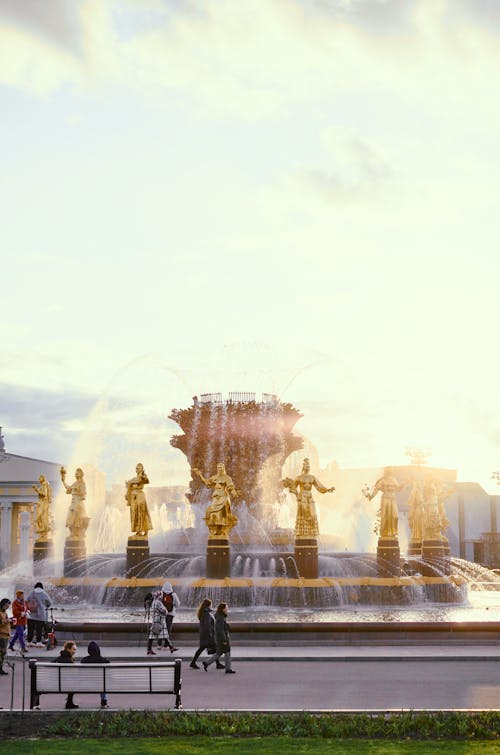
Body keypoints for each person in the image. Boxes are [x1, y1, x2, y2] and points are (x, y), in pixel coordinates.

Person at [282, 458, 335, 538]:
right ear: (303, 467)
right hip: (302, 496)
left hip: (310, 496)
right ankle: (302, 533)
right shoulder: (299, 477)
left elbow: (319, 486)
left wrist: (327, 490)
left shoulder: (312, 477)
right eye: (306, 466)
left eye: (309, 466)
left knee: (312, 513)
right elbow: (293, 486)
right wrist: (296, 495)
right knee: (303, 515)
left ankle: (311, 532)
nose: (308, 467)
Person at [192, 462, 238, 537]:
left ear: (223, 468)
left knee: (221, 513)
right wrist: (200, 475)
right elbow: (207, 483)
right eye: (218, 467)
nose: (219, 469)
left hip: (223, 496)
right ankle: (215, 530)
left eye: (221, 467)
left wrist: (234, 492)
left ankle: (221, 531)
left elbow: (230, 487)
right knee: (212, 512)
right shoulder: (214, 477)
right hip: (216, 496)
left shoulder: (227, 478)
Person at [190, 598, 224, 670]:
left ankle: (193, 662)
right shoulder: (207, 614)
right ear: (209, 605)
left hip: (205, 636)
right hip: (208, 636)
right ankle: (216, 664)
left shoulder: (203, 612)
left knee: (202, 649)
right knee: (217, 649)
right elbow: (207, 626)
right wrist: (210, 635)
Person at [202, 602, 235, 674]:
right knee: (227, 652)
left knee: (219, 653)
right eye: (226, 608)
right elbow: (220, 630)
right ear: (222, 609)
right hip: (222, 639)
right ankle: (228, 669)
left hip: (219, 638)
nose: (227, 609)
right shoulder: (220, 617)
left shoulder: (220, 616)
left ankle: (206, 663)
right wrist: (224, 640)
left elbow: (221, 628)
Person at [61, 466, 89, 540]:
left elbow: (83, 493)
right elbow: (68, 488)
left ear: (81, 474)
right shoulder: (75, 483)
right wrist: (63, 480)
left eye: (78, 473)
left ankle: (76, 534)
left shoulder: (82, 483)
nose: (76, 474)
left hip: (78, 503)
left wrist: (77, 490)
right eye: (75, 473)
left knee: (76, 518)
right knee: (70, 517)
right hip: (73, 502)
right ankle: (73, 533)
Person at [125, 463, 153, 537]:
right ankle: (138, 531)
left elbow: (146, 481)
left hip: (140, 497)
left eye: (138, 468)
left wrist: (143, 475)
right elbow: (129, 485)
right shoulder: (134, 478)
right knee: (135, 513)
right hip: (134, 497)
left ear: (142, 469)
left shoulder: (143, 477)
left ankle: (145, 531)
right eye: (136, 468)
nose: (137, 469)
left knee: (142, 512)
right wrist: (129, 484)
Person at [80, 641, 110, 709]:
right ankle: (104, 701)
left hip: (84, 683)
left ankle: (69, 701)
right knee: (103, 681)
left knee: (102, 681)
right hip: (99, 684)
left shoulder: (84, 660)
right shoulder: (102, 660)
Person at [147, 591, 177, 655]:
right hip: (159, 621)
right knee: (153, 636)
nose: (161, 596)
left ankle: (171, 647)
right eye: (160, 595)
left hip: (157, 620)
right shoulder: (158, 602)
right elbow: (163, 611)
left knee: (163, 635)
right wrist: (166, 611)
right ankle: (149, 649)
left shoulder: (154, 602)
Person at [52, 640, 78, 709]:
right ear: (68, 649)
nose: (74, 651)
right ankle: (69, 702)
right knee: (74, 682)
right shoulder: (69, 660)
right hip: (65, 684)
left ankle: (36, 703)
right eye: (73, 649)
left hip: (53, 683)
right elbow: (74, 674)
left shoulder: (58, 659)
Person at [26, 582, 52, 647]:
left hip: (31, 614)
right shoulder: (44, 593)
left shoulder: (31, 593)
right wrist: (45, 607)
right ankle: (38, 642)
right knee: (39, 629)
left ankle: (29, 642)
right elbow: (49, 602)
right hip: (41, 614)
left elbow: (26, 600)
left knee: (30, 628)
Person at [32, 475, 52, 540]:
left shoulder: (44, 485)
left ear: (43, 478)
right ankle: (42, 533)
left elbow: (44, 494)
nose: (39, 479)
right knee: (39, 518)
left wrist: (36, 489)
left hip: (44, 503)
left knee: (40, 517)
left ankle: (43, 532)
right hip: (41, 503)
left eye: (40, 478)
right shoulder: (43, 485)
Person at [9, 590, 28, 654]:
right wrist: (20, 613)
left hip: (23, 620)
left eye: (23, 595)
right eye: (21, 595)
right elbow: (14, 611)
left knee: (18, 634)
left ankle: (11, 645)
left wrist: (29, 611)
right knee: (21, 635)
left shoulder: (24, 602)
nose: (22, 596)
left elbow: (27, 608)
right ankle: (23, 647)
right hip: (17, 620)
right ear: (18, 596)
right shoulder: (15, 603)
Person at [0, 598, 12, 675]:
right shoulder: (0, 613)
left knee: (2, 653)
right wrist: (7, 621)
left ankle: (0, 668)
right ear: (4, 604)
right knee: (1, 653)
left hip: (6, 635)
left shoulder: (5, 613)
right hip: (1, 636)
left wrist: (9, 620)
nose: (8, 606)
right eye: (7, 604)